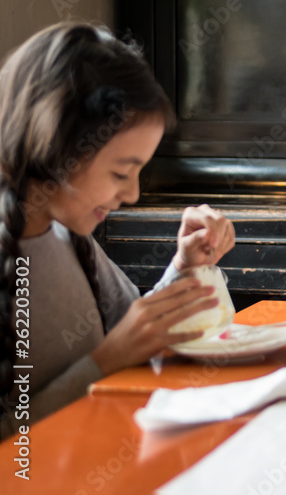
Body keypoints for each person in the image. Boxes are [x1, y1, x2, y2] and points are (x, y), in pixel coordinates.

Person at [0, 23, 237, 439]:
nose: (132, 193)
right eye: (121, 172)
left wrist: (184, 267)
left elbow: (135, 330)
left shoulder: (66, 236)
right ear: (56, 147)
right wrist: (103, 363)